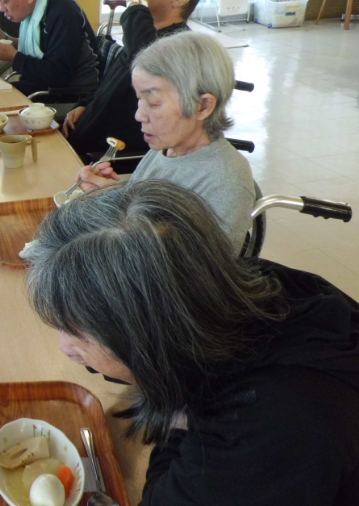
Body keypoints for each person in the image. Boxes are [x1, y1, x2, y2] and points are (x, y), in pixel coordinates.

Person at [25, 179, 359, 506]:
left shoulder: (264, 434)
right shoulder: (241, 284)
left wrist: (177, 421)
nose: (64, 348)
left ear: (148, 336)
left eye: (76, 330)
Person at [73, 32, 254, 252]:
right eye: (140, 99)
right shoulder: (165, 149)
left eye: (154, 102)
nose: (139, 115)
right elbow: (147, 216)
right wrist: (114, 195)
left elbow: (194, 275)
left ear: (203, 106)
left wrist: (120, 202)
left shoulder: (226, 180)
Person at [64, 0, 202, 162]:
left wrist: (136, 4)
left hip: (104, 160)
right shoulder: (145, 34)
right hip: (77, 143)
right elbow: (113, 79)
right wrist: (86, 103)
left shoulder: (180, 45)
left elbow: (144, 61)